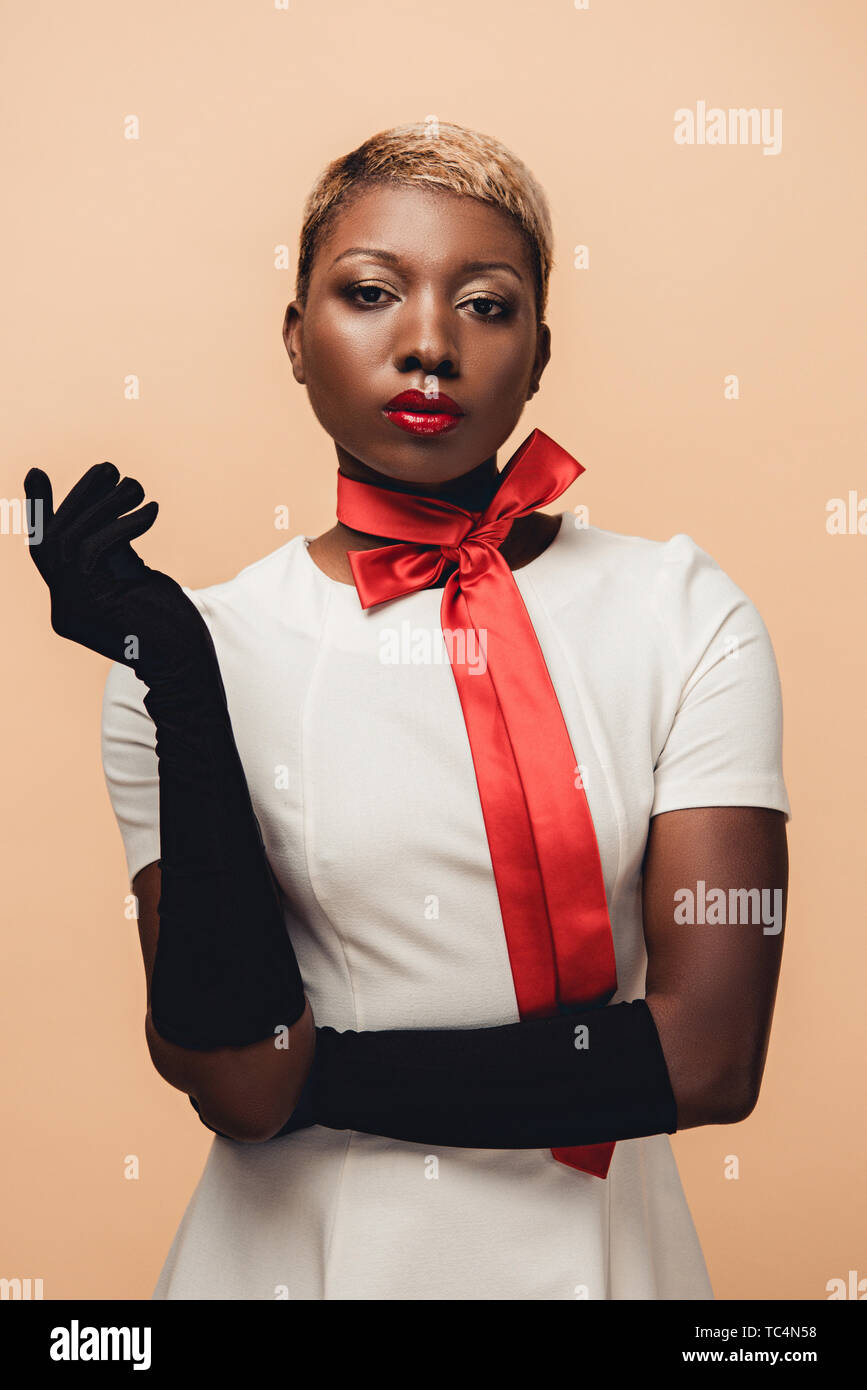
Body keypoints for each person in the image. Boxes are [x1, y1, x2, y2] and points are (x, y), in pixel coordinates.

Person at [27, 121, 790, 1300]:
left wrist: (312, 1079)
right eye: (371, 292)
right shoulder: (191, 654)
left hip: (600, 1266)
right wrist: (178, 676)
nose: (428, 344)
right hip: (291, 1268)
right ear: (296, 337)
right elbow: (229, 1078)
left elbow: (709, 1057)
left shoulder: (685, 614)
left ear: (540, 352)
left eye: (486, 304)